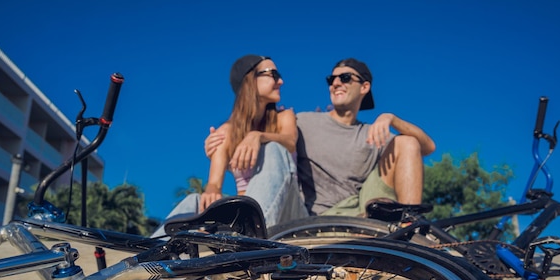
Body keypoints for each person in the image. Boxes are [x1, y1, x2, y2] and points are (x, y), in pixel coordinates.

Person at [205, 57, 435, 220]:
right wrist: (221, 140)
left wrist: (391, 119)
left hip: (364, 209)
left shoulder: (373, 133)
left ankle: (410, 225)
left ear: (365, 87)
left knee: (406, 141)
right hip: (314, 215)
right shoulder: (303, 122)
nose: (336, 83)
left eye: (345, 78)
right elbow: (267, 133)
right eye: (331, 79)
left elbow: (427, 147)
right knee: (274, 148)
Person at [152, 54, 307, 237]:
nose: (280, 81)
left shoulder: (284, 117)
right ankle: (145, 258)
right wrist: (211, 195)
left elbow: (290, 142)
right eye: (273, 74)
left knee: (273, 148)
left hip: (291, 215)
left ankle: (249, 238)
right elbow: (213, 186)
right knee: (195, 201)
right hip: (245, 220)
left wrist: (257, 136)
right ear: (249, 80)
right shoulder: (226, 132)